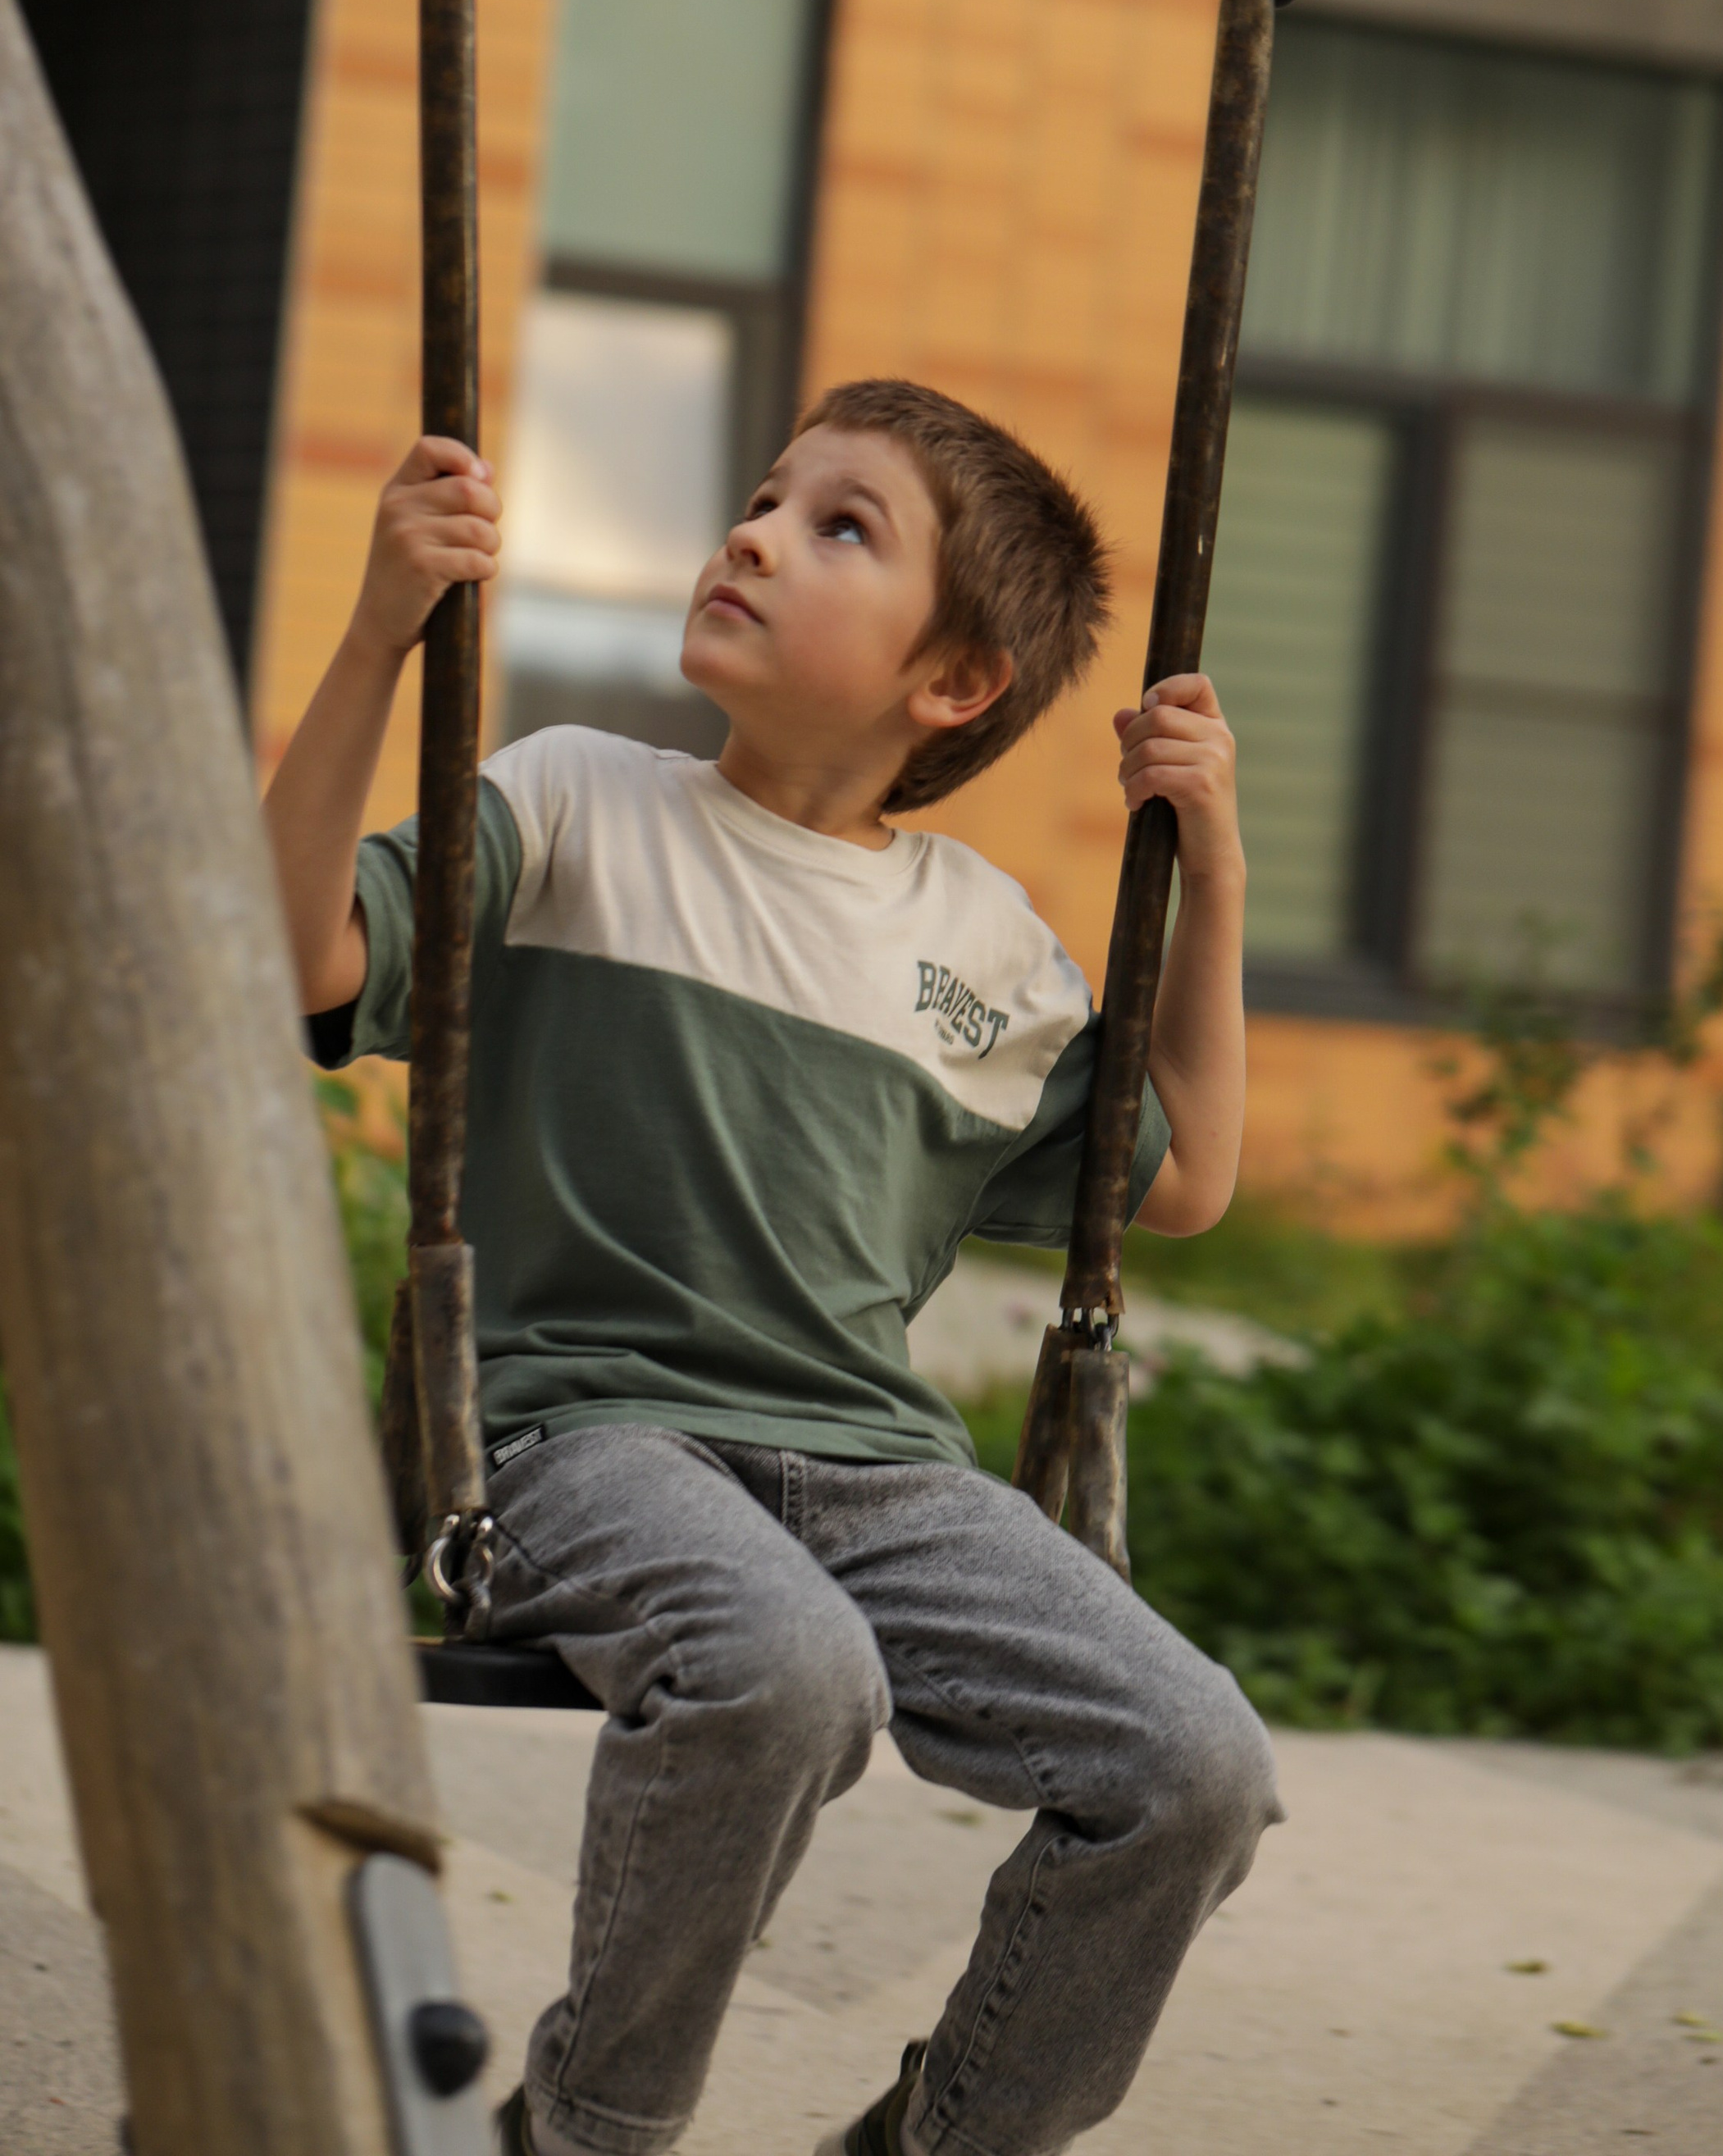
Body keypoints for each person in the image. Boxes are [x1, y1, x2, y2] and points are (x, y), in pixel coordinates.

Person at [265, 377, 1279, 2156]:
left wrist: (1214, 874)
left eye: (838, 526)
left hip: (875, 1472)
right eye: (762, 498)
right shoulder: (573, 809)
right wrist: (376, 636)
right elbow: (287, 951)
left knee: (1194, 1766)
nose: (748, 531)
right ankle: (587, 2131)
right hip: (581, 1440)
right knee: (786, 1672)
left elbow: (1183, 1176)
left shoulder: (982, 945)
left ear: (949, 684)